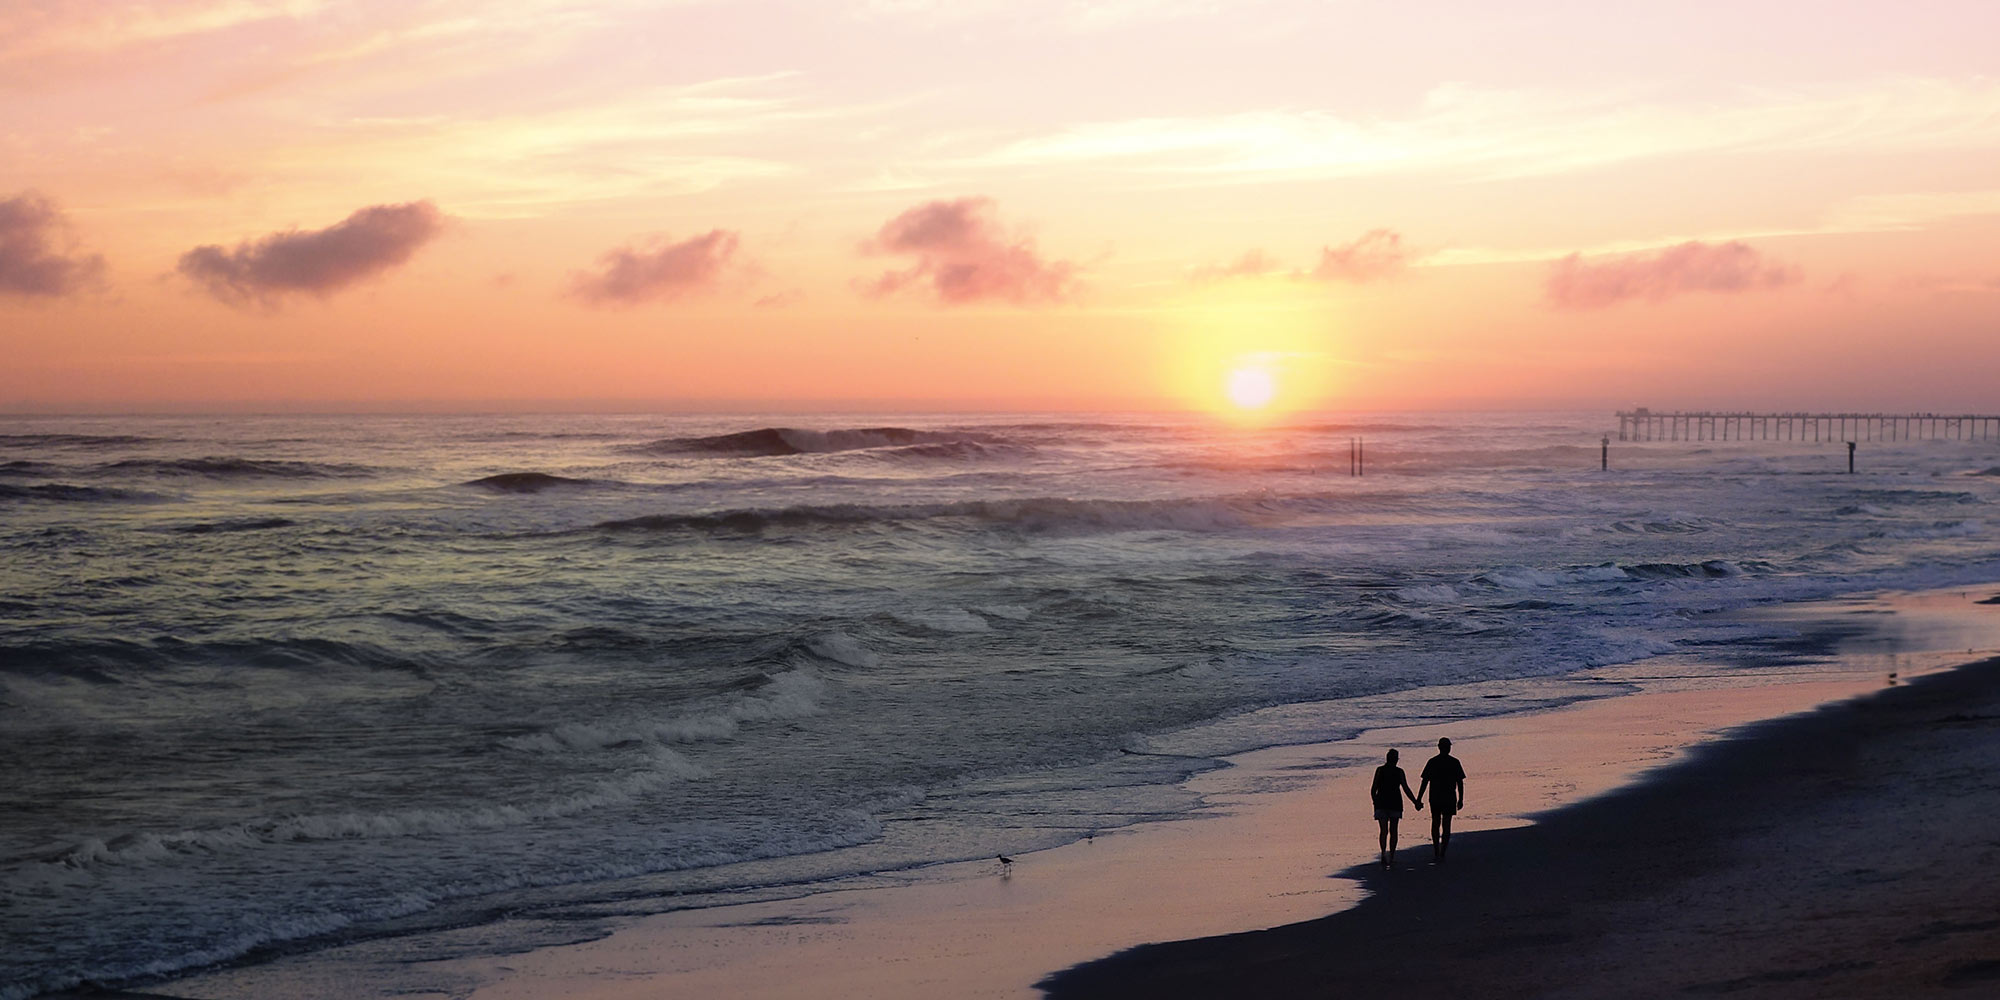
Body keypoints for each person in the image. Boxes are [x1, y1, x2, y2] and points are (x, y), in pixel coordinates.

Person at [1415, 737, 1465, 861]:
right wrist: (1461, 799)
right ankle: (1442, 851)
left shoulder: (1432, 762)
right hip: (1449, 797)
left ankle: (1437, 850)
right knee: (1446, 824)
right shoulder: (1454, 762)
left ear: (1439, 747)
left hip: (1435, 796)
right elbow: (1460, 782)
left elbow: (1424, 782)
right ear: (1447, 748)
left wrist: (1419, 798)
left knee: (1435, 822)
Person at [1369, 748, 1420, 867]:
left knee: (1383, 831)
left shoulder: (1380, 770)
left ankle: (1383, 854)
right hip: (1395, 803)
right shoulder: (1399, 772)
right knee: (1393, 831)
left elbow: (1373, 789)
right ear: (1396, 760)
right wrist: (1415, 802)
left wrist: (1374, 802)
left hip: (1381, 803)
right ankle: (1391, 856)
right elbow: (1406, 788)